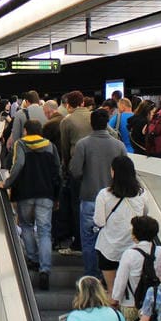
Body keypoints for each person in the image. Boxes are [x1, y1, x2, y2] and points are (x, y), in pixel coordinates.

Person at [0, 118, 61, 289]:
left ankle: (33, 259)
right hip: (46, 193)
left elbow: (18, 165)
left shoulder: (21, 144)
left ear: (25, 131)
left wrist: (7, 183)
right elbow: (57, 171)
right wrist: (56, 195)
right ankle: (45, 269)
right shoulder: (50, 146)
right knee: (45, 231)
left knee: (26, 225)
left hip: (25, 193)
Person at [70, 109, 127, 279]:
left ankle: (91, 277)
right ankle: (109, 278)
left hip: (90, 197)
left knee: (89, 240)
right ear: (107, 123)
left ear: (91, 123)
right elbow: (126, 171)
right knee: (112, 240)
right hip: (114, 201)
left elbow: (75, 171)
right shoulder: (119, 145)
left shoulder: (83, 144)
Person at [94, 154, 151, 293]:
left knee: (112, 292)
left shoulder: (104, 194)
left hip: (109, 249)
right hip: (133, 248)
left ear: (113, 172)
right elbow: (145, 214)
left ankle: (113, 306)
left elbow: (99, 222)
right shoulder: (142, 194)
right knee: (132, 292)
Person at [58, 90, 91, 252]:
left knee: (76, 204)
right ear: (83, 103)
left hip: (76, 168)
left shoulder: (67, 121)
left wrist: (65, 167)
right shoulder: (94, 117)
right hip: (94, 168)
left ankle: (78, 242)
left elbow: (64, 148)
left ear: (68, 105)